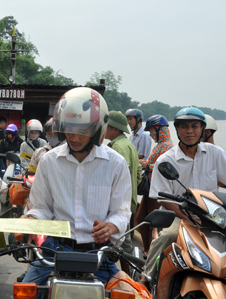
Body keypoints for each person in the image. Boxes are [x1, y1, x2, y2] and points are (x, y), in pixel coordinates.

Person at [21, 87, 132, 285]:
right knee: (25, 290)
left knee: (126, 291)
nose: (74, 137)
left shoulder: (116, 164)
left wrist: (112, 226)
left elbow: (122, 211)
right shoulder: (49, 161)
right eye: (69, 128)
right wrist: (27, 220)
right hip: (55, 249)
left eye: (83, 131)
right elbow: (41, 208)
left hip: (98, 253)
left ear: (98, 129)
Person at [140, 107, 226, 286]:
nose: (189, 131)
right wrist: (188, 217)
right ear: (177, 130)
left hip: (212, 216)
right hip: (178, 215)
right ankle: (145, 279)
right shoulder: (165, 160)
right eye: (184, 127)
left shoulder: (215, 153)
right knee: (167, 236)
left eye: (194, 126)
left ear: (202, 130)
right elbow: (164, 199)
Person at [104, 111, 142, 276]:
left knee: (122, 244)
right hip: (128, 201)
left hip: (120, 203)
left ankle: (129, 280)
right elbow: (139, 173)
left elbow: (119, 175)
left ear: (113, 129)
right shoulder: (128, 144)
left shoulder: (117, 147)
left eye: (106, 126)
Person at [135, 114, 173, 254]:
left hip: (157, 190)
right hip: (150, 188)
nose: (151, 135)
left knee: (152, 223)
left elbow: (158, 167)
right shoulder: (160, 146)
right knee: (140, 218)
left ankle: (152, 252)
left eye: (152, 131)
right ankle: (147, 250)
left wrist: (141, 164)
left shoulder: (167, 147)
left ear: (158, 130)